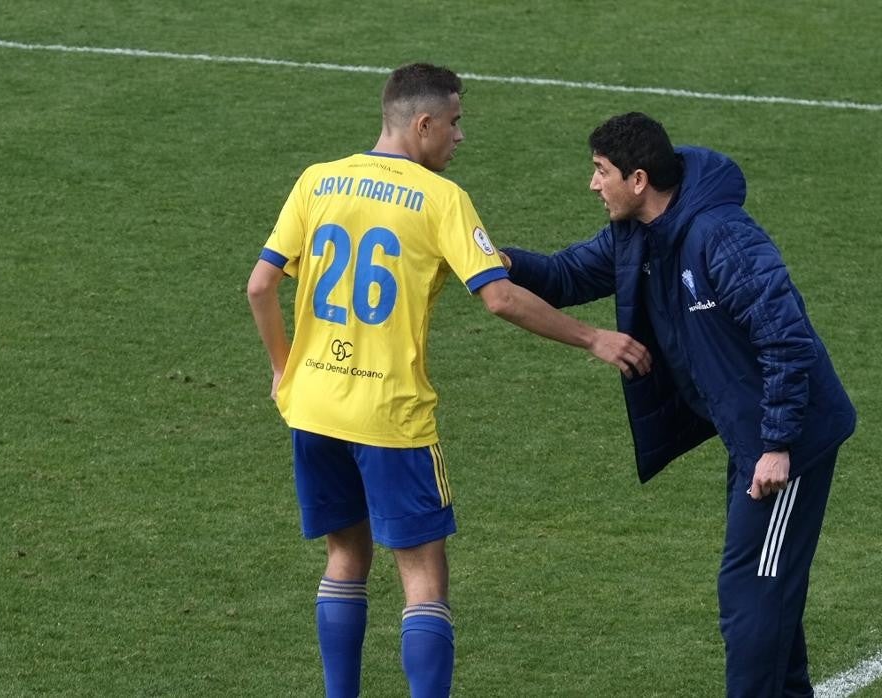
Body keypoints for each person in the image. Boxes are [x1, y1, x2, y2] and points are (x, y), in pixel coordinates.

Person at [246, 65, 651, 698]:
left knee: (345, 558)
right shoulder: (440, 200)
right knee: (424, 579)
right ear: (424, 123)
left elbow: (260, 285)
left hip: (314, 407)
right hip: (390, 417)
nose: (460, 138)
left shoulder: (317, 180)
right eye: (456, 123)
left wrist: (281, 368)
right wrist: (595, 338)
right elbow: (500, 299)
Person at [499, 112, 856, 697]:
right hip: (754, 437)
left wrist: (777, 445)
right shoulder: (638, 234)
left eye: (600, 171)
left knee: (753, 593)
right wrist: (496, 260)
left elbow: (786, 337)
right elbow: (566, 274)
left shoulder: (721, 235)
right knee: (765, 590)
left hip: (789, 440)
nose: (593, 184)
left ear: (638, 179)